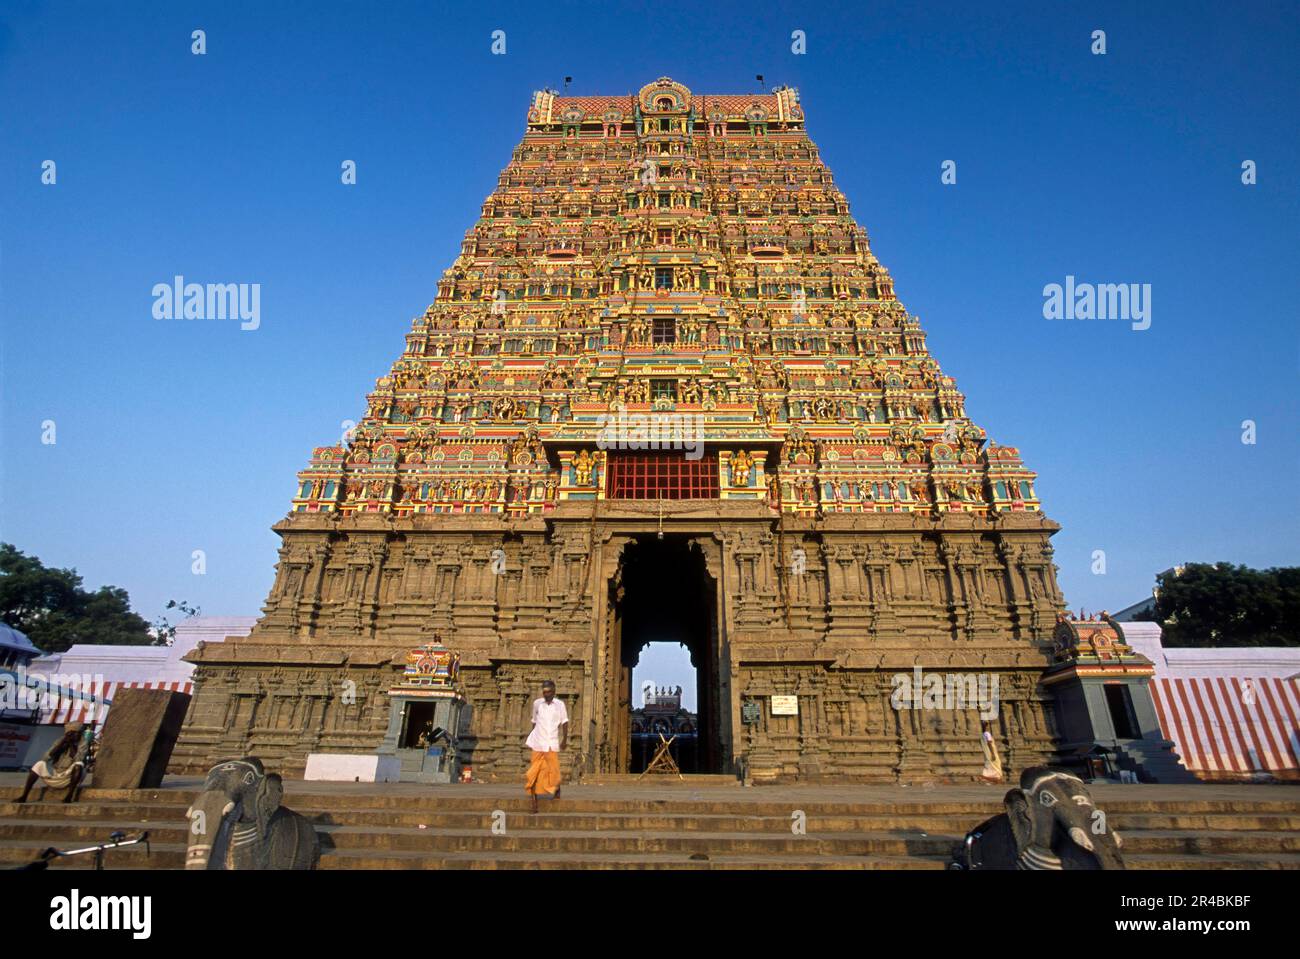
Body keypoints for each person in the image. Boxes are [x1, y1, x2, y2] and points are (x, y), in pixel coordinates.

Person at [17, 721, 92, 804]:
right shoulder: (61, 740)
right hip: (55, 775)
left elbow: (78, 759)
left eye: (77, 733)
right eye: (72, 733)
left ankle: (69, 796)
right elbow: (46, 757)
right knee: (39, 764)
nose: (75, 735)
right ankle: (24, 796)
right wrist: (63, 743)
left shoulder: (83, 743)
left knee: (79, 765)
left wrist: (71, 744)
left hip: (68, 778)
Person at [524, 680, 568, 814]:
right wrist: (532, 737)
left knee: (553, 771)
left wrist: (565, 739)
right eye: (544, 692)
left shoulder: (560, 705)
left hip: (551, 743)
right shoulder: (537, 704)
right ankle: (534, 803)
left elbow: (564, 722)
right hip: (538, 743)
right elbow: (534, 722)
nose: (546, 694)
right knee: (534, 773)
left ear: (554, 691)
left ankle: (557, 787)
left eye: (549, 692)